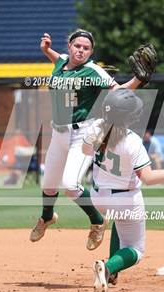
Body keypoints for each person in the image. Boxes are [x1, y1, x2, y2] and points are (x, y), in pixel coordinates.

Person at [82, 89, 164, 292]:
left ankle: (112, 271)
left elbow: (84, 151)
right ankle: (107, 267)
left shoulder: (96, 127)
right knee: (136, 250)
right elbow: (147, 178)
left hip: (97, 196)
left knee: (119, 222)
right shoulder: (132, 141)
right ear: (128, 117)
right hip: (125, 199)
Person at [30, 29, 144, 250]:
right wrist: (46, 50)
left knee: (71, 185)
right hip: (59, 132)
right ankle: (47, 218)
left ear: (91, 51)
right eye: (77, 46)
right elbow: (58, 61)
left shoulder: (93, 71)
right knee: (48, 185)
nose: (81, 50)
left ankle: (97, 221)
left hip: (83, 134)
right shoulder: (61, 61)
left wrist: (138, 79)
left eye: (86, 48)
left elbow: (118, 91)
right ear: (69, 46)